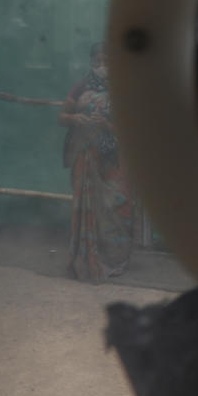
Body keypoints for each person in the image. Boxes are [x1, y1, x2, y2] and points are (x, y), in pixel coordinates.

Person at [60, 42, 135, 281]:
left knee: (118, 204)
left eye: (106, 61)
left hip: (114, 156)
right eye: (97, 61)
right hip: (86, 152)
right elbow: (62, 116)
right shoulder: (81, 86)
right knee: (90, 206)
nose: (102, 66)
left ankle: (115, 258)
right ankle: (89, 256)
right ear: (91, 62)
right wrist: (76, 118)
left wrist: (105, 124)